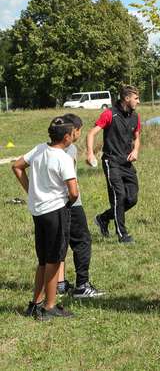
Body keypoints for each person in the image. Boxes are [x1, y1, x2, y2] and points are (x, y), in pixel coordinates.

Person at [12, 117, 79, 320]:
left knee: (43, 260)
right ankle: (49, 306)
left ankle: (35, 303)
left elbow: (17, 166)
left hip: (39, 212)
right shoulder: (63, 158)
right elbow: (73, 192)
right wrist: (67, 202)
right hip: (56, 211)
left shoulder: (39, 149)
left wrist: (32, 191)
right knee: (54, 260)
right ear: (67, 137)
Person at [56, 114, 104, 298]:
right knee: (82, 241)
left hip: (51, 205)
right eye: (80, 130)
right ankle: (82, 285)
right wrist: (73, 198)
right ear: (73, 131)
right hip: (71, 203)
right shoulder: (70, 149)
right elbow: (69, 180)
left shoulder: (46, 148)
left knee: (60, 243)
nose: (80, 134)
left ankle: (59, 284)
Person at [87, 85, 141, 244]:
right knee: (119, 196)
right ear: (127, 98)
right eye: (136, 98)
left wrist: (136, 150)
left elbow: (137, 137)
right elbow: (91, 133)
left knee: (132, 199)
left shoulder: (135, 117)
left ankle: (103, 218)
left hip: (127, 163)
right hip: (111, 162)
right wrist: (90, 153)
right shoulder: (109, 114)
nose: (138, 101)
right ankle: (122, 235)